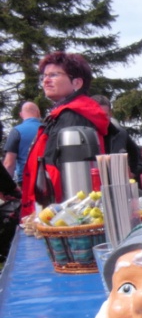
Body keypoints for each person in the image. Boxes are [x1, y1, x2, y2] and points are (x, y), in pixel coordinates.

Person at [20, 52, 110, 217]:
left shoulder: (72, 116)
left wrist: (48, 216)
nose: (46, 80)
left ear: (77, 83)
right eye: (44, 76)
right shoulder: (65, 114)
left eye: (54, 75)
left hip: (65, 215)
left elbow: (55, 171)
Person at [91, 95, 142, 187]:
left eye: (105, 115)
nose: (102, 119)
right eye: (98, 115)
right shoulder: (84, 136)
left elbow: (140, 164)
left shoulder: (120, 134)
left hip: (119, 189)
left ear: (110, 114)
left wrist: (130, 174)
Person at [3, 101, 42, 185]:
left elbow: (9, 163)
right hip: (47, 180)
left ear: (21, 114)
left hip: (26, 181)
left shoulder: (16, 131)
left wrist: (6, 187)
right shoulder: (48, 129)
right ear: (38, 113)